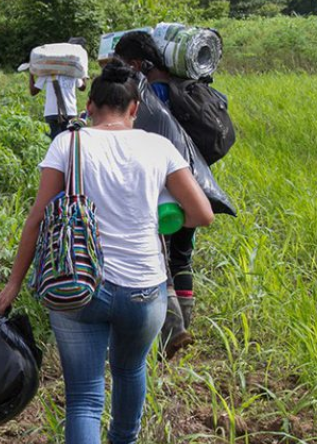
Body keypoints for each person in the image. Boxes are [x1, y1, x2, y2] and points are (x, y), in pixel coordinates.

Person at [0, 59, 214, 444]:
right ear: (134, 108)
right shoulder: (158, 146)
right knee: (130, 371)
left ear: (90, 105)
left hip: (78, 283)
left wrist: (14, 284)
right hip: (144, 288)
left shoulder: (69, 142)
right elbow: (202, 214)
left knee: (83, 398)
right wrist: (162, 220)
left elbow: (37, 219)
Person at [114, 31, 198, 358]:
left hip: (160, 189)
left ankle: (173, 330)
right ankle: (181, 325)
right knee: (182, 255)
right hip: (191, 187)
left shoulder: (147, 95)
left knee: (157, 256)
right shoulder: (185, 88)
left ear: (135, 62)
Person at [29, 38, 88, 140]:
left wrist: (31, 74)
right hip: (70, 113)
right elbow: (83, 87)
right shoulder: (73, 72)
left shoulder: (47, 71)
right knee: (69, 144)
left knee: (55, 145)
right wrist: (84, 74)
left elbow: (33, 91)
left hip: (51, 113)